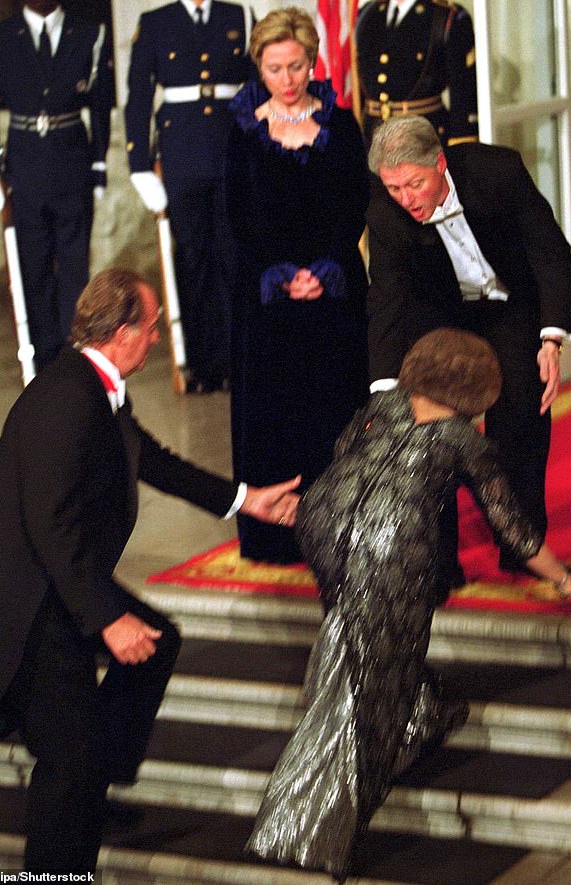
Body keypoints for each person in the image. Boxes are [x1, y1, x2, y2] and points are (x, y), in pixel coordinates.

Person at [246, 329, 571, 881]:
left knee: (368, 644)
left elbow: (343, 454)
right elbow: (509, 525)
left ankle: (423, 716)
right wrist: (563, 581)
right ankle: (302, 829)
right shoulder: (463, 438)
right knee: (369, 692)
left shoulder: (381, 403)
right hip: (389, 547)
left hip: (325, 522)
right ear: (477, 386)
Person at [0, 268, 300, 874]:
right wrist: (108, 619)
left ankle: (99, 779)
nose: (156, 339)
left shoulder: (95, 386)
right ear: (122, 332)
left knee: (157, 645)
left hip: (56, 579)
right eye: (150, 329)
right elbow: (52, 530)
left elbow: (149, 458)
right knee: (68, 760)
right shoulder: (66, 399)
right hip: (30, 600)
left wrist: (243, 499)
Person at [366, 115, 571, 580]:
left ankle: (523, 549)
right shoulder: (385, 212)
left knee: (520, 412)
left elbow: (548, 251)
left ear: (440, 164)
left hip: (507, 302)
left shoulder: (496, 171)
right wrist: (384, 390)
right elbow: (386, 297)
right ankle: (439, 563)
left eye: (414, 185)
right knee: (431, 428)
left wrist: (552, 336)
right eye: (394, 188)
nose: (405, 199)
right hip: (441, 314)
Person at [225, 6, 370, 564]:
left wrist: (326, 269)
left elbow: (354, 203)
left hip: (333, 293)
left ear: (313, 62)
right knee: (276, 415)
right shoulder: (242, 128)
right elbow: (238, 214)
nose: (286, 80)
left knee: (336, 409)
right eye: (274, 68)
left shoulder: (341, 124)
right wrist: (280, 276)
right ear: (259, 68)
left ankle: (343, 525)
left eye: (296, 66)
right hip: (265, 298)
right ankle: (278, 536)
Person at [0, 0, 113, 371]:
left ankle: (74, 361)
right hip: (24, 166)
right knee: (33, 269)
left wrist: (99, 167)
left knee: (74, 271)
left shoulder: (88, 35)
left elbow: (100, 105)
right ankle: (43, 363)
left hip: (72, 160)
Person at [125, 0, 254, 394]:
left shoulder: (239, 16)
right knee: (194, 258)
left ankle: (239, 359)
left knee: (234, 255)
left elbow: (256, 85)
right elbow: (138, 96)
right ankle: (201, 363)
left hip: (232, 146)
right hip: (181, 151)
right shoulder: (155, 23)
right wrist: (139, 164)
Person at [355, 0, 478, 148]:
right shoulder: (367, 13)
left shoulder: (447, 16)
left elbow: (463, 94)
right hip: (371, 137)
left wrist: (460, 148)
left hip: (422, 139)